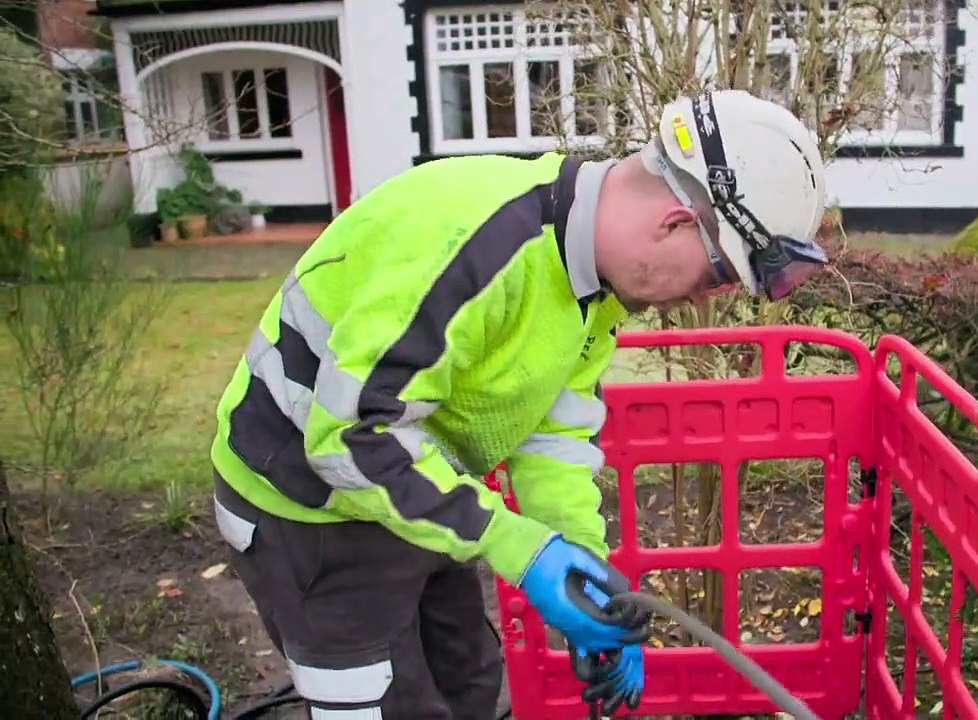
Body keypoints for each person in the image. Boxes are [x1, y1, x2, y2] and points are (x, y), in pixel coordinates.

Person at [207, 88, 830, 720]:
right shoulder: (475, 245)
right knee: (388, 706)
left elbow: (554, 437)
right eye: (717, 274)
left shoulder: (593, 285)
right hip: (306, 509)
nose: (703, 298)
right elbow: (351, 439)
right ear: (674, 221)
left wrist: (587, 571)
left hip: (415, 488)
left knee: (470, 684)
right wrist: (518, 549)